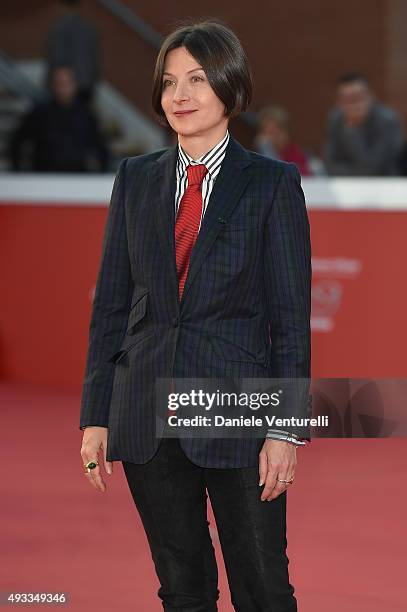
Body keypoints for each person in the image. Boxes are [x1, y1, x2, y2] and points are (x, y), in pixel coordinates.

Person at [79, 20, 311, 612]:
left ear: (230, 89)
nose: (178, 95)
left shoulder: (271, 184)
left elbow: (289, 317)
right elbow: (109, 302)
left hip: (237, 412)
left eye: (197, 80)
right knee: (181, 589)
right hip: (144, 410)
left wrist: (284, 428)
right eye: (169, 82)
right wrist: (95, 415)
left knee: (263, 587)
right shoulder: (135, 179)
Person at [8, 65, 109, 172]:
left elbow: (100, 146)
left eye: (66, 83)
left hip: (77, 177)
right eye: (58, 83)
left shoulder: (86, 114)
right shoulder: (39, 113)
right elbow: (18, 141)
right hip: (43, 176)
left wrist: (101, 172)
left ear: (74, 84)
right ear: (52, 85)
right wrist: (18, 169)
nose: (62, 87)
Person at [324, 72, 404, 175]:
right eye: (346, 100)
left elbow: (375, 167)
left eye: (357, 98)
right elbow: (330, 163)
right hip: (345, 183)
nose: (352, 105)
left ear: (371, 96)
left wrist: (352, 131)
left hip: (385, 184)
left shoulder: (387, 120)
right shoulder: (335, 119)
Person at [46, 0, 100, 104]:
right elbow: (95, 59)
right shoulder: (89, 28)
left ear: (61, 7)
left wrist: (49, 83)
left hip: (65, 86)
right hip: (86, 82)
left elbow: (56, 57)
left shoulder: (59, 29)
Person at [254, 105, 312, 175]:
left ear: (285, 133)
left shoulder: (296, 154)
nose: (269, 139)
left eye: (274, 133)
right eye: (266, 133)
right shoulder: (256, 155)